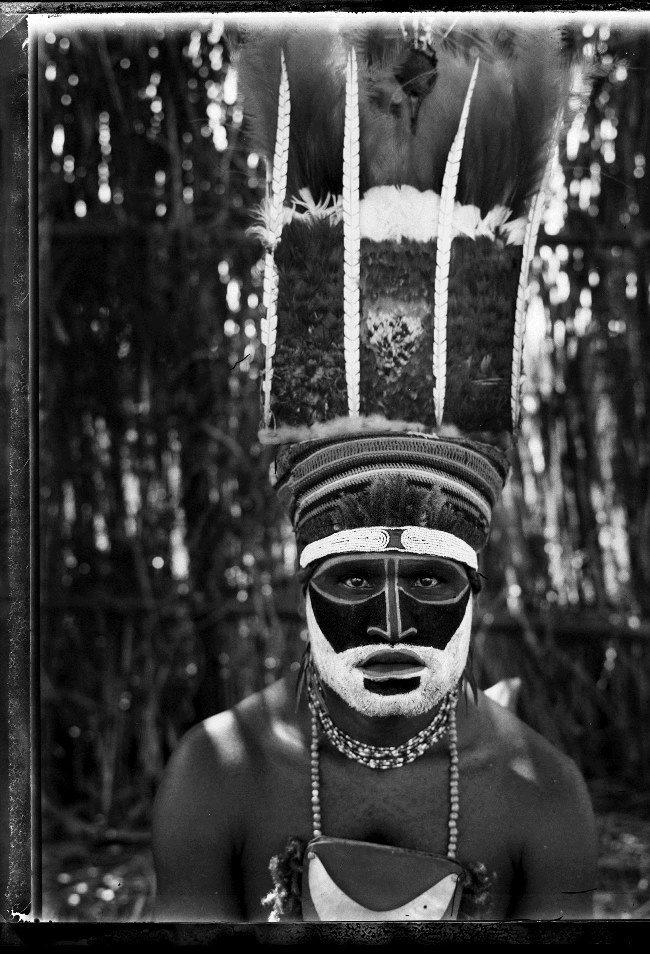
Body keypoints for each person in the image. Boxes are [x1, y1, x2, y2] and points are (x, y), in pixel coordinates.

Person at [152, 14, 597, 921]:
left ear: (477, 587)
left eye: (430, 580)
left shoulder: (541, 795)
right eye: (353, 578)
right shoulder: (216, 776)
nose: (392, 623)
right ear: (301, 582)